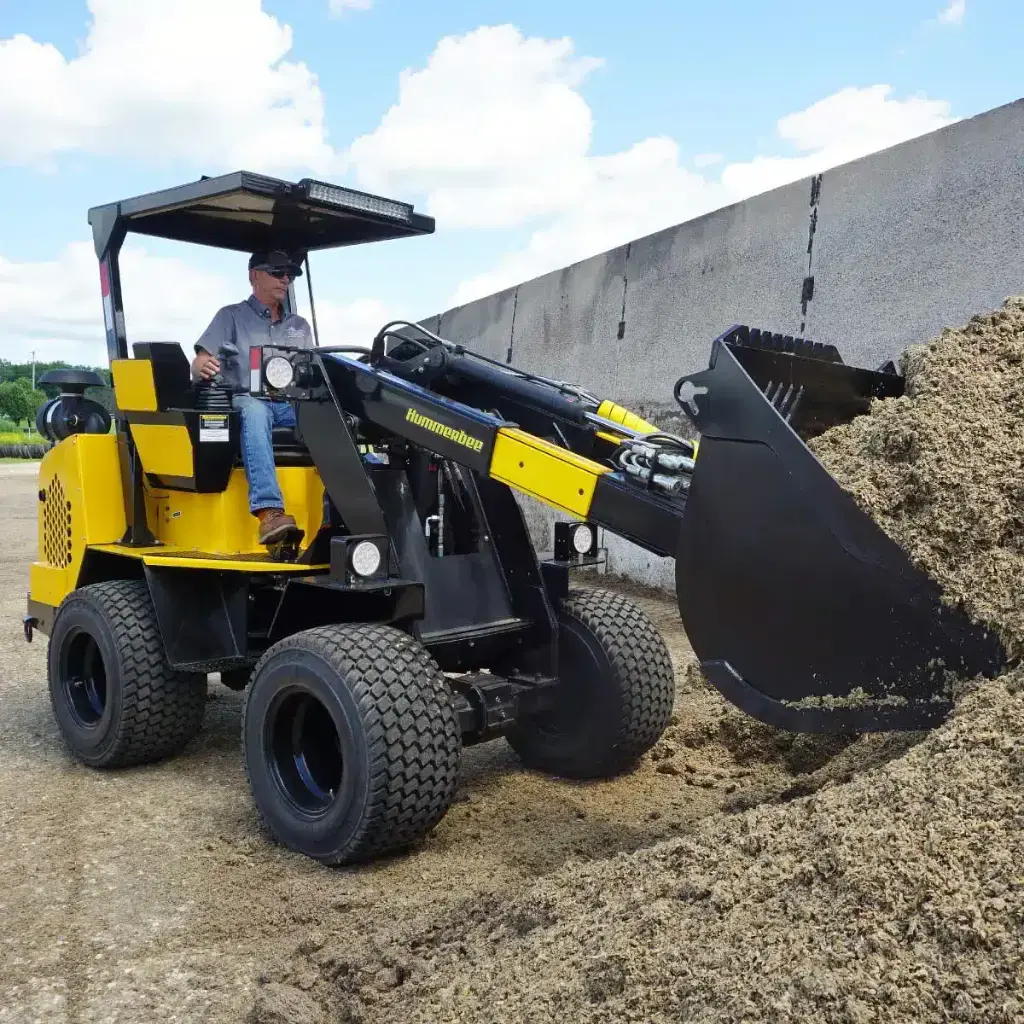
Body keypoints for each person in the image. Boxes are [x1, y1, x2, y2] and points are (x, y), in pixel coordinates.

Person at [191, 249, 314, 546]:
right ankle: (269, 512)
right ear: (254, 275)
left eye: (290, 275)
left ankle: (341, 504)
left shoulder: (299, 326)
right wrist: (200, 366)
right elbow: (199, 362)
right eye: (278, 273)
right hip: (246, 400)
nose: (285, 280)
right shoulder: (230, 317)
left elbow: (312, 372)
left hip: (289, 403)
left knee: (328, 414)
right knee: (254, 411)